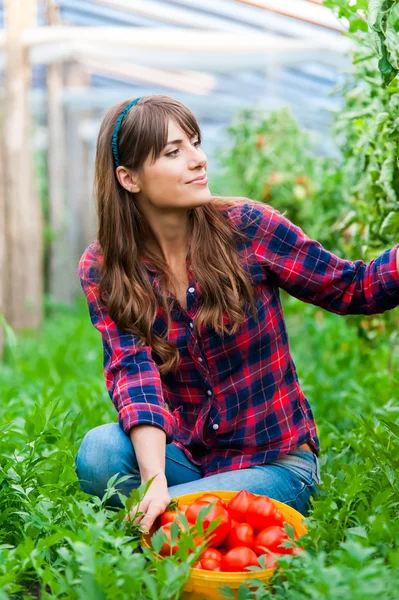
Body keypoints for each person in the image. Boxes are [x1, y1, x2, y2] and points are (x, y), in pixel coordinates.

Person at [75, 95, 399, 532]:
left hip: (277, 465)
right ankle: (183, 513)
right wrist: (155, 480)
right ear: (128, 178)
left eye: (195, 143)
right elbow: (133, 374)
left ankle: (177, 520)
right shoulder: (105, 267)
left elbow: (352, 288)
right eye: (175, 152)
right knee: (98, 454)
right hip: (188, 458)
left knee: (177, 515)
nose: (199, 159)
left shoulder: (246, 227)